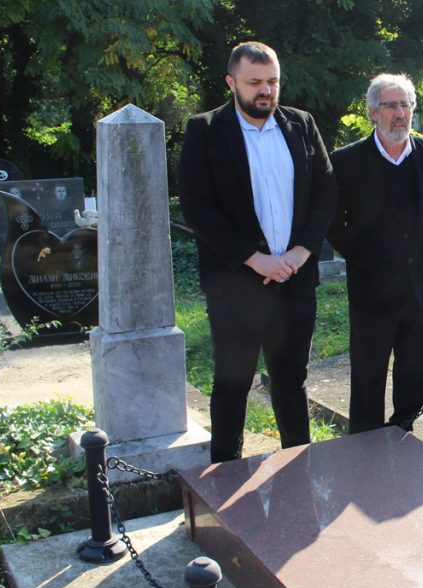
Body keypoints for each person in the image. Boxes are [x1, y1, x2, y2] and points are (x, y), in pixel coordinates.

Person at [179, 41, 337, 462]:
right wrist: (255, 258)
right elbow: (197, 207)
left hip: (295, 280)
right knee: (232, 384)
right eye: (254, 82)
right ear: (231, 82)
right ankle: (224, 475)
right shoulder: (205, 130)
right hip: (236, 284)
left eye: (272, 81)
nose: (266, 90)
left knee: (291, 381)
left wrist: (301, 252)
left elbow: (326, 192)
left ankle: (298, 465)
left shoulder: (301, 124)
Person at [328, 73, 423, 434]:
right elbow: (334, 225)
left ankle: (403, 436)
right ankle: (365, 447)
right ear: (373, 112)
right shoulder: (346, 161)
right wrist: (369, 257)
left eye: (405, 105)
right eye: (390, 105)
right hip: (372, 288)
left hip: (420, 285)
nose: (399, 113)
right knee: (368, 376)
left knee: (414, 374)